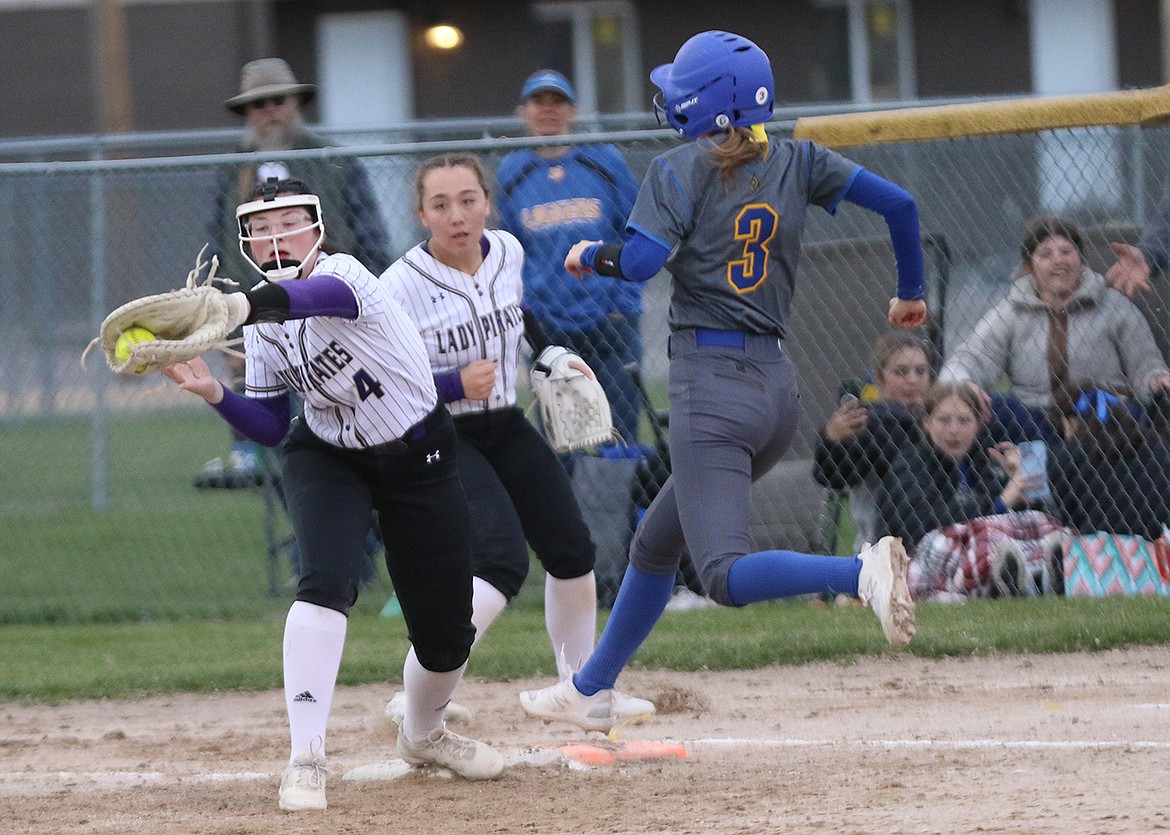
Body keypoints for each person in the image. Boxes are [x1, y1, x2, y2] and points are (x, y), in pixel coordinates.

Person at [517, 30, 927, 734]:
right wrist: (910, 292)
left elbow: (642, 262)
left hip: (712, 389)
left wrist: (590, 252)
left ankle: (859, 574)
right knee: (654, 544)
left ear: (703, 107)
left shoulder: (680, 168)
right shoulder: (798, 157)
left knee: (724, 576)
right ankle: (591, 686)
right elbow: (902, 207)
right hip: (775, 390)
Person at [164, 177, 504, 812]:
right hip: (326, 453)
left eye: (288, 223)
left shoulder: (345, 274)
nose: (276, 238)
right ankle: (306, 757)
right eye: (262, 229)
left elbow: (310, 297)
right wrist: (216, 393)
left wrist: (239, 309)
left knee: (446, 635)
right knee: (323, 582)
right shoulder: (262, 322)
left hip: (417, 455)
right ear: (245, 240)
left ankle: (425, 734)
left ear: (316, 226)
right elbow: (269, 424)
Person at [379, 153, 653, 723]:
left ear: (488, 203)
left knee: (572, 551)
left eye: (468, 200)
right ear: (421, 214)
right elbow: (382, 381)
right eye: (441, 204)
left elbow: (518, 316)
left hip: (503, 421)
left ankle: (583, 691)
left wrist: (553, 356)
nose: (457, 215)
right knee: (500, 562)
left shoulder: (507, 250)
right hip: (439, 434)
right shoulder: (399, 285)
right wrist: (453, 381)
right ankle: (418, 699)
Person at [495, 70, 644, 446]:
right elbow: (508, 253)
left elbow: (637, 230)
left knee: (618, 431)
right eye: (538, 103)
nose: (548, 111)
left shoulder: (602, 160)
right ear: (523, 112)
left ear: (572, 111)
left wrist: (622, 304)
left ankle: (620, 505)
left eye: (557, 102)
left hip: (609, 319)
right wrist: (528, 317)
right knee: (563, 437)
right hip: (548, 324)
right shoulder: (514, 170)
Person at [941, 216, 1170, 444]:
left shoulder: (1115, 307)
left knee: (1127, 414)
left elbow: (1147, 367)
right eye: (1046, 254)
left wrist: (1157, 381)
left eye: (1066, 252)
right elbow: (971, 358)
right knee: (998, 408)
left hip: (1102, 419)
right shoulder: (1010, 313)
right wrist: (964, 383)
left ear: (1081, 260)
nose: (1058, 261)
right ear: (1030, 267)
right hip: (1035, 422)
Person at [208, 58, 392, 284]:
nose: (269, 110)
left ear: (295, 101)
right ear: (247, 111)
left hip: (328, 287)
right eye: (258, 104)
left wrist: (367, 282)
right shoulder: (232, 169)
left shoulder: (332, 160)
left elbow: (370, 232)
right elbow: (217, 241)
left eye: (278, 100)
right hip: (248, 293)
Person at [878, 383, 1066, 601]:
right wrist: (1002, 501)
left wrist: (1015, 480)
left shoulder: (982, 461)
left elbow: (1014, 517)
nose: (954, 430)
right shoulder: (911, 464)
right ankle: (1009, 581)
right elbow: (924, 525)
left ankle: (1038, 578)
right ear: (926, 423)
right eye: (944, 420)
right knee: (984, 538)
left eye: (964, 421)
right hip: (920, 560)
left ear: (978, 425)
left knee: (1043, 523)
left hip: (976, 557)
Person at [814, 330, 933, 551]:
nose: (913, 380)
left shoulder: (941, 420)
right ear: (880, 379)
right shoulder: (873, 422)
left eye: (920, 371)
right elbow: (835, 476)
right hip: (880, 545)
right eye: (901, 372)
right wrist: (832, 440)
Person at [1050, 385, 1170, 541]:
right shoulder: (1158, 446)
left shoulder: (1066, 456)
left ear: (1071, 422)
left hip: (1097, 547)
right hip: (1157, 543)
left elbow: (1069, 516)